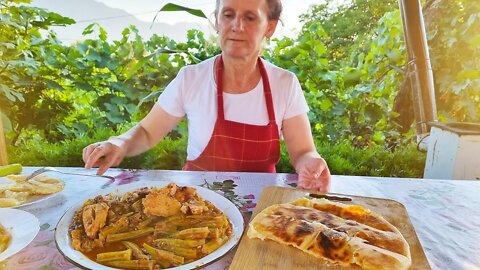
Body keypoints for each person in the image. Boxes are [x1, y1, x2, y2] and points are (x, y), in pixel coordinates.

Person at [82, 0, 331, 192]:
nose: (237, 26)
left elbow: (302, 152)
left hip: (260, 205)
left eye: (250, 17)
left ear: (270, 27)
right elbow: (147, 132)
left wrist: (311, 162)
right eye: (228, 15)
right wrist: (120, 143)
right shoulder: (191, 78)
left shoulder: (285, 84)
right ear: (217, 21)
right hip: (197, 202)